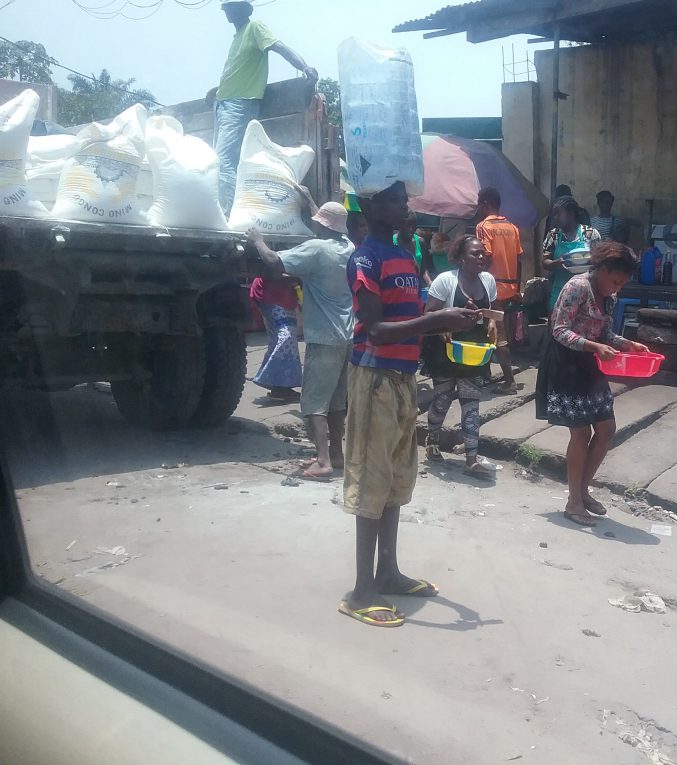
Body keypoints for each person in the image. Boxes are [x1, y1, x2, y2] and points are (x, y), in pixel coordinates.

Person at [341, 181, 479, 627]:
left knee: (397, 478)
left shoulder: (404, 255)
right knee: (372, 480)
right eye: (394, 200)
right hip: (374, 377)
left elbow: (409, 319)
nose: (405, 205)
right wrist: (436, 319)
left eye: (404, 198)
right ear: (369, 206)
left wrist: (445, 322)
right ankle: (361, 591)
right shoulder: (366, 259)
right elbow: (377, 330)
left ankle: (388, 572)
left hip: (402, 377)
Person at [536, 241, 649, 527]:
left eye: (622, 284)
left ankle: (582, 492)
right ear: (603, 269)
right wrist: (593, 346)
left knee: (607, 428)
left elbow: (605, 333)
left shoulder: (608, 295)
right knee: (581, 432)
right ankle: (574, 502)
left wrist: (627, 344)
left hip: (591, 363)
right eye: (616, 281)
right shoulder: (577, 287)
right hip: (566, 363)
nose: (617, 288)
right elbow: (559, 330)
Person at [247, 202, 354, 481]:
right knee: (337, 401)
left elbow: (273, 262)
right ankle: (336, 454)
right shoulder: (349, 247)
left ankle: (323, 461)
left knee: (313, 403)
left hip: (324, 336)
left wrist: (258, 240)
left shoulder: (316, 249)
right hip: (348, 335)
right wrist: (309, 199)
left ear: (321, 224)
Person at [213, 1, 317, 213]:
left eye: (231, 7)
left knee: (224, 160)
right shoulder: (237, 36)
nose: (227, 11)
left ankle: (227, 215)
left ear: (243, 9)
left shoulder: (255, 28)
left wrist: (305, 67)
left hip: (240, 104)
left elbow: (280, 47)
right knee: (221, 161)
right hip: (223, 105)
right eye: (226, 7)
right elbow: (237, 71)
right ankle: (227, 209)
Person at [423, 235, 501, 480]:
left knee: (471, 404)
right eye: (475, 253)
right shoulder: (445, 281)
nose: (481, 257)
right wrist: (444, 323)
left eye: (482, 252)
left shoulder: (488, 280)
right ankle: (432, 439)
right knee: (442, 400)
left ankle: (471, 459)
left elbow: (494, 312)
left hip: (474, 349)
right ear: (460, 258)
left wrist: (491, 322)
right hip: (445, 349)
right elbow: (428, 313)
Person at [475, 187, 523, 395]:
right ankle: (485, 374)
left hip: (491, 288)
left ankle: (509, 382)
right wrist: (517, 287)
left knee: (497, 334)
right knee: (490, 330)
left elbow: (484, 257)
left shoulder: (483, 226)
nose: (478, 209)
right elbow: (519, 260)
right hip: (510, 287)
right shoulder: (512, 227)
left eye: (479, 204)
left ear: (485, 204)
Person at [542, 196, 602, 315]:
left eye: (558, 214)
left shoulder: (590, 234)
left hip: (586, 293)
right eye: (554, 215)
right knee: (557, 323)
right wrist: (556, 263)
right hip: (559, 291)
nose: (555, 218)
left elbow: (600, 260)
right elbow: (544, 262)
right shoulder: (553, 235)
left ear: (570, 214)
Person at [249, 273, 301, 400]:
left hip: (286, 295)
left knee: (281, 340)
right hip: (271, 294)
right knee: (286, 337)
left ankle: (282, 387)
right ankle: (272, 381)